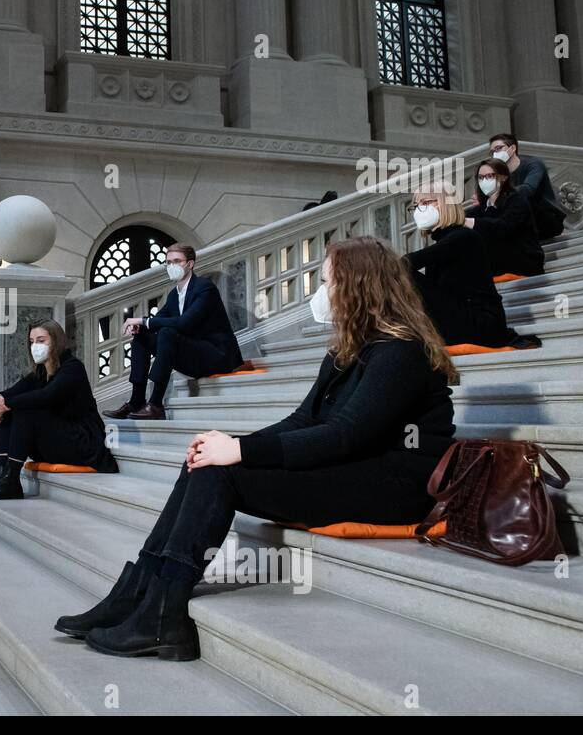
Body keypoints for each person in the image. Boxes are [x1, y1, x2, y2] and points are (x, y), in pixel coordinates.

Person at [56, 237, 457, 660]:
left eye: (327, 282)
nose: (320, 293)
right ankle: (139, 591)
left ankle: (163, 614)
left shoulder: (400, 351)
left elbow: (345, 434)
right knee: (204, 460)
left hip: (394, 484)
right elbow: (303, 421)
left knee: (222, 469)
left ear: (358, 287)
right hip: (355, 465)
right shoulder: (347, 351)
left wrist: (241, 455)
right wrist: (231, 444)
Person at [0, 320, 118, 501]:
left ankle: (11, 480)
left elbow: (47, 396)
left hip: (82, 443)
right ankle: (2, 477)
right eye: (32, 342)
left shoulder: (72, 367)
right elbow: (12, 392)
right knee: (10, 412)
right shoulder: (40, 372)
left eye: (41, 340)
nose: (35, 346)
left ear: (56, 341)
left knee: (25, 410)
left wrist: (6, 403)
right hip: (57, 441)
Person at [102, 244, 244, 420]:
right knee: (142, 336)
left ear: (190, 264)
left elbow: (185, 323)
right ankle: (136, 400)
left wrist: (143, 320)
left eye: (177, 261)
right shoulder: (174, 294)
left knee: (168, 333)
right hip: (192, 354)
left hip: (215, 356)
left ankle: (155, 404)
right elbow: (159, 319)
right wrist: (142, 326)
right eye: (168, 262)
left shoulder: (205, 288)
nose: (171, 266)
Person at [406, 186, 540, 349]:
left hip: (482, 322)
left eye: (426, 202)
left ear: (446, 204)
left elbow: (403, 263)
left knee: (402, 273)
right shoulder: (443, 242)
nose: (420, 210)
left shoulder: (464, 237)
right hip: (463, 317)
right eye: (416, 206)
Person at [464, 158, 545, 277]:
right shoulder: (478, 210)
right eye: (480, 177)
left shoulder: (516, 200)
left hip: (522, 263)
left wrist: (472, 223)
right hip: (495, 266)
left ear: (504, 177)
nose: (484, 181)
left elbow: (504, 227)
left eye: (490, 176)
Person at [487, 133, 566, 240]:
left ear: (513, 148)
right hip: (523, 225)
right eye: (492, 152)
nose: (495, 154)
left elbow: (528, 189)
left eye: (498, 148)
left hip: (547, 219)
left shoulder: (533, 164)